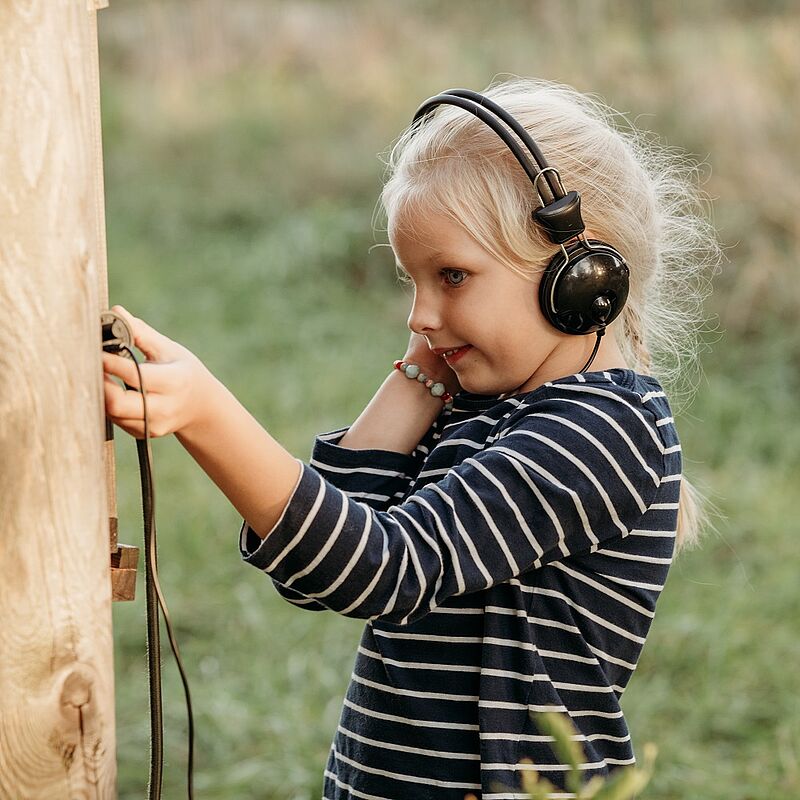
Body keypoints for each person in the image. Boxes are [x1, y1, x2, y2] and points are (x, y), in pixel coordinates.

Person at [102, 78, 719, 799]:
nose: (419, 314)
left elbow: (384, 568)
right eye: (413, 280)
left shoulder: (603, 429)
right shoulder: (479, 404)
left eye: (452, 276)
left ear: (578, 279)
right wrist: (422, 372)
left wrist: (207, 415)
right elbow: (309, 568)